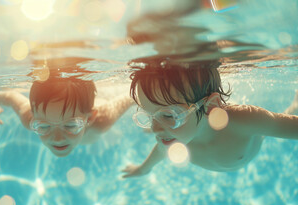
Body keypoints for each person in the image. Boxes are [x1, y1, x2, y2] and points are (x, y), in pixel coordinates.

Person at [122, 62, 298, 177]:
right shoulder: (173, 138)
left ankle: (294, 105)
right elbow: (160, 151)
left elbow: (286, 126)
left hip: (250, 139)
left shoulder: (245, 121)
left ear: (211, 104)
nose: (155, 129)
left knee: (270, 127)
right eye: (148, 116)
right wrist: (143, 169)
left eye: (169, 115)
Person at [0, 73, 133, 157]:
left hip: (101, 101)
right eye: (44, 126)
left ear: (90, 118)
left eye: (71, 125)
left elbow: (131, 96)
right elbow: (8, 97)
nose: (57, 138)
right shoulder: (29, 117)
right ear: (34, 118)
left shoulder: (103, 119)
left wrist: (154, 117)